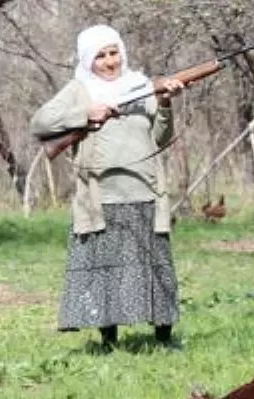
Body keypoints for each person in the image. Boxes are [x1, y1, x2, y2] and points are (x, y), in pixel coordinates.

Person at [30, 25, 183, 349]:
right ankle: (108, 340)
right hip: (102, 198)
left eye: (114, 53)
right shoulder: (78, 90)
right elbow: (40, 123)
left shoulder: (142, 86)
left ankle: (164, 339)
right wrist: (86, 113)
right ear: (88, 60)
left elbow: (160, 138)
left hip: (145, 192)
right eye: (100, 55)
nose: (110, 61)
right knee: (106, 272)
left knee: (155, 269)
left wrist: (165, 103)